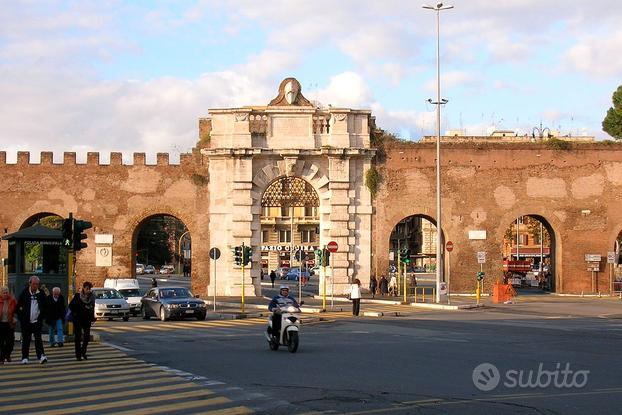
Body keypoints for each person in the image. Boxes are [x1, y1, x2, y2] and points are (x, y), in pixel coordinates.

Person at [16, 275, 48, 364]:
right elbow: (18, 307)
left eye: (37, 284)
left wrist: (42, 317)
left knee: (38, 339)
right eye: (34, 284)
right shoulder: (24, 293)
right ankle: (25, 357)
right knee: (26, 340)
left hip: (37, 321)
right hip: (26, 322)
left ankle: (41, 355)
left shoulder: (41, 293)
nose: (35, 286)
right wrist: (21, 318)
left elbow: (45, 306)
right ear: (30, 283)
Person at [69, 281, 96, 361]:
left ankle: (83, 351)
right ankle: (78, 355)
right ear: (83, 288)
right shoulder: (77, 296)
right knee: (78, 337)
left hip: (87, 320)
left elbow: (92, 308)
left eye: (89, 289)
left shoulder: (91, 297)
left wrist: (92, 318)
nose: (88, 290)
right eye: (87, 288)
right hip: (78, 319)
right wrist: (76, 312)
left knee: (87, 337)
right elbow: (71, 306)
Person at [0, 286, 17, 364]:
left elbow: (17, 310)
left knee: (10, 342)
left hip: (9, 324)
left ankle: (7, 355)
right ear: (1, 293)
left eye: (6, 292)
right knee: (1, 342)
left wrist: (15, 318)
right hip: (1, 324)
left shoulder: (12, 300)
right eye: (4, 292)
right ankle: (2, 358)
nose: (5, 294)